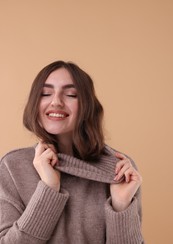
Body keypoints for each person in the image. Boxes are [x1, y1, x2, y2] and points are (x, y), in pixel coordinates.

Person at [0, 61, 144, 243]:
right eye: (45, 93)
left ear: (87, 106)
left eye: (71, 94)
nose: (56, 102)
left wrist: (121, 206)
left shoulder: (118, 170)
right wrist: (49, 189)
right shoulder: (12, 167)